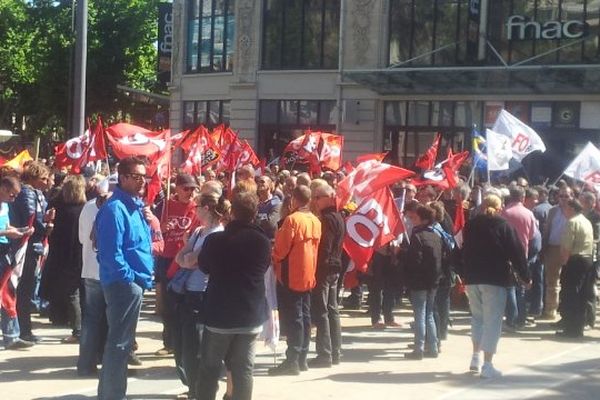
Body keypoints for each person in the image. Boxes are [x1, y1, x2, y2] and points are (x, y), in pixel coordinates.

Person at [196, 190, 271, 400]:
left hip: (220, 315)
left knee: (210, 368)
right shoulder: (263, 241)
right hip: (249, 315)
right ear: (255, 212)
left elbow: (204, 266)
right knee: (243, 370)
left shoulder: (216, 240)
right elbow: (263, 267)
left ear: (232, 213)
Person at [95, 157, 154, 400]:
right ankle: (112, 395)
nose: (143, 181)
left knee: (121, 343)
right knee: (119, 344)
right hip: (123, 285)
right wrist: (130, 279)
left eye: (144, 176)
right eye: (137, 176)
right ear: (123, 178)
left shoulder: (133, 206)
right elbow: (111, 254)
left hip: (133, 283)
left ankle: (111, 393)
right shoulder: (115, 209)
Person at [170, 188, 230, 399]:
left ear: (206, 208)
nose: (194, 210)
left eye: (196, 206)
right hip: (187, 292)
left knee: (197, 346)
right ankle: (193, 388)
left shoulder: (217, 235)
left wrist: (189, 260)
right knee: (185, 346)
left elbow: (195, 260)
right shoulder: (198, 232)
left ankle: (201, 391)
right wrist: (188, 259)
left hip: (203, 294)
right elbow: (181, 257)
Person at [462, 194, 530, 378]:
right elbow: (516, 252)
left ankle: (475, 357)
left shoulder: (471, 225)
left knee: (477, 318)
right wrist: (525, 276)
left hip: (472, 278)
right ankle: (487, 364)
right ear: (500, 208)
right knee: (493, 321)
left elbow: (462, 250)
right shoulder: (504, 226)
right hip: (495, 278)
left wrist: (463, 274)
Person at [270, 185, 321, 375]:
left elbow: (281, 250)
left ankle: (292, 359)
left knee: (294, 318)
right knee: (305, 317)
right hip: (308, 273)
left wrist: (272, 256)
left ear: (294, 199)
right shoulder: (315, 220)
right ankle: (301, 358)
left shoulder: (292, 220)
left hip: (290, 275)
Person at [154, 173, 199, 355]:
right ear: (177, 188)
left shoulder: (197, 207)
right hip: (167, 259)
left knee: (186, 303)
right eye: (186, 188)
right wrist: (160, 229)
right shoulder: (164, 206)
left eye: (192, 189)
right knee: (168, 302)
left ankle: (184, 341)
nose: (190, 192)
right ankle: (170, 342)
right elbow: (151, 228)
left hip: (186, 260)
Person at [39, 175, 86, 343]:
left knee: (72, 294)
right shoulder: (85, 208)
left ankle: (79, 331)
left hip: (64, 256)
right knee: (79, 293)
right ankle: (79, 327)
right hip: (81, 256)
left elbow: (53, 234)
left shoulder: (60, 209)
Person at [10, 161, 54, 343]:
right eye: (43, 178)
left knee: (27, 288)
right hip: (28, 245)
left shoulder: (37, 193)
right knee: (25, 289)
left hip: (33, 244)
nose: (47, 182)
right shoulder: (29, 193)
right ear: (34, 178)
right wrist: (47, 225)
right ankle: (23, 329)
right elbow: (32, 219)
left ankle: (23, 328)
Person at [308, 184, 344, 367]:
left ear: (328, 197)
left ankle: (325, 354)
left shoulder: (328, 219)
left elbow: (325, 247)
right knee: (332, 310)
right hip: (335, 267)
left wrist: (316, 267)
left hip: (326, 268)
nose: (315, 201)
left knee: (323, 311)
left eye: (317, 197)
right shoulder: (338, 216)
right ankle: (335, 351)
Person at [77, 188, 111, 376]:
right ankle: (105, 361)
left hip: (91, 269)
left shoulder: (88, 207)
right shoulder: (117, 208)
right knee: (109, 319)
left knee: (91, 319)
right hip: (107, 272)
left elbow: (82, 238)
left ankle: (86, 363)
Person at [404, 204, 443, 360]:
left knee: (420, 314)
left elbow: (414, 260)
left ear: (423, 219)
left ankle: (418, 348)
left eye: (416, 217)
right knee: (428, 315)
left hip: (419, 281)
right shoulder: (436, 235)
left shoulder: (418, 236)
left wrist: (402, 256)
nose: (413, 220)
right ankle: (433, 347)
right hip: (433, 281)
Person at [0, 176, 35, 349]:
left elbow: (6, 227)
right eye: (12, 194)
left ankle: (12, 335)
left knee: (8, 292)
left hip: (4, 251)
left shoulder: (5, 205)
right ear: (3, 188)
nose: (13, 199)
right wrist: (6, 234)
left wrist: (21, 230)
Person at [556, 199, 595, 338]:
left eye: (566, 208)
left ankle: (571, 329)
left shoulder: (572, 222)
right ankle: (578, 327)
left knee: (571, 294)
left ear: (572, 208)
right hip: (587, 260)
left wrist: (564, 264)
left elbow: (566, 247)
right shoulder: (586, 221)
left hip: (575, 260)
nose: (564, 210)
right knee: (582, 295)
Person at [542, 186, 573, 320]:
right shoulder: (552, 211)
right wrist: (543, 248)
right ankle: (550, 310)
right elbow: (547, 230)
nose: (564, 199)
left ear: (572, 197)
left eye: (567, 196)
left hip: (569, 249)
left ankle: (567, 310)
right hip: (553, 248)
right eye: (561, 196)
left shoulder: (575, 211)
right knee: (552, 282)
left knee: (569, 281)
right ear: (557, 197)